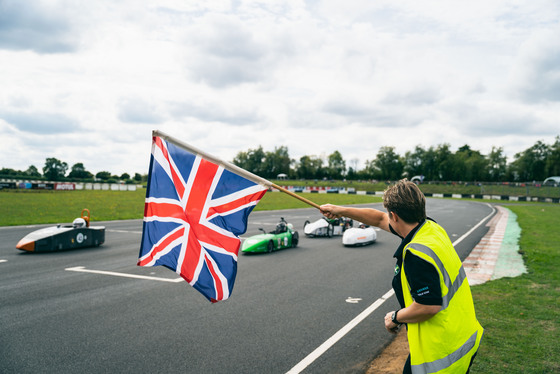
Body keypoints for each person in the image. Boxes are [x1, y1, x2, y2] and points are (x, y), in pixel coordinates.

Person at [320, 179, 483, 374]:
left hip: (441, 355)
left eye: (389, 214)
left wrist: (395, 317)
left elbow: (428, 305)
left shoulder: (416, 254)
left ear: (395, 216)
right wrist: (340, 210)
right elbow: (380, 219)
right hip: (462, 335)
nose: (387, 218)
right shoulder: (430, 228)